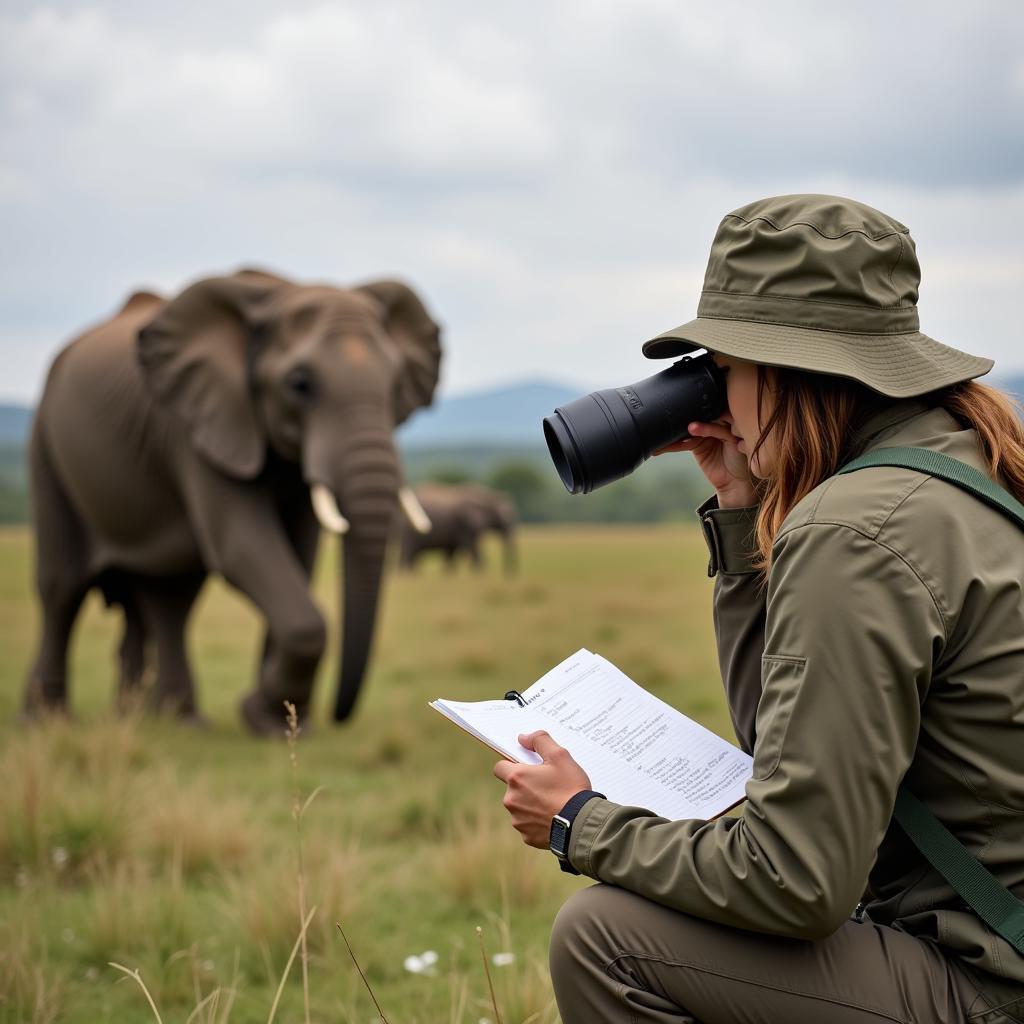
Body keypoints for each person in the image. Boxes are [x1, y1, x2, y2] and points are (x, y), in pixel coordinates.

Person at [493, 194, 1024, 1023]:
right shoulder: (967, 465)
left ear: (785, 367)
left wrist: (579, 823)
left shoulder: (855, 531)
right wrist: (745, 511)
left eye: (724, 367)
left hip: (990, 983)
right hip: (994, 941)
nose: (717, 398)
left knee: (605, 937)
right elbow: (774, 749)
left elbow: (796, 881)